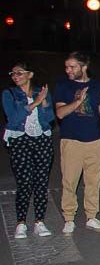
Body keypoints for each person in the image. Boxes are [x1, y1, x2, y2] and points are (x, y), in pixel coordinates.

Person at [55, 52, 100, 233]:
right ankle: (69, 217)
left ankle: (92, 216)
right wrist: (78, 101)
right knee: (69, 181)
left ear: (84, 67)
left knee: (93, 181)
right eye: (66, 67)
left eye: (72, 67)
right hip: (71, 140)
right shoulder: (63, 85)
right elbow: (60, 113)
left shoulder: (97, 86)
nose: (68, 70)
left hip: (94, 141)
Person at [3, 61, 56, 238]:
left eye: (19, 73)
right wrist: (36, 103)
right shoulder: (9, 94)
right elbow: (13, 119)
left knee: (41, 182)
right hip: (20, 139)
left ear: (30, 75)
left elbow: (49, 117)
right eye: (13, 74)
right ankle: (21, 223)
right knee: (24, 182)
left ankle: (39, 221)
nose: (15, 76)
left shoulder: (41, 92)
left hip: (41, 138)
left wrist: (44, 102)